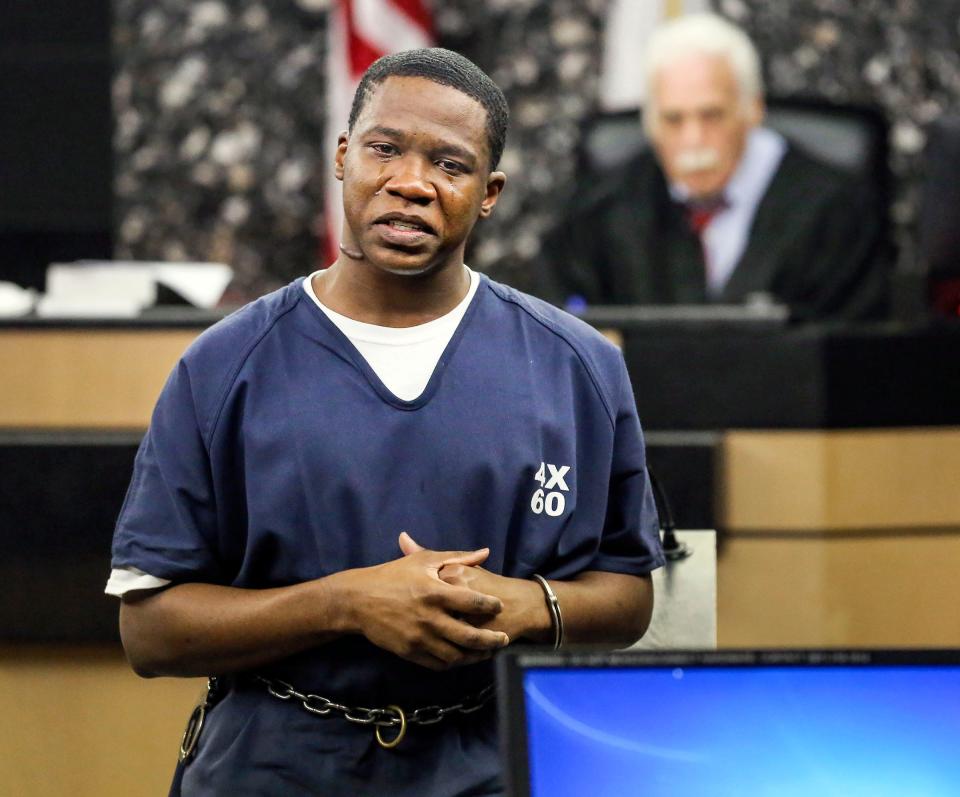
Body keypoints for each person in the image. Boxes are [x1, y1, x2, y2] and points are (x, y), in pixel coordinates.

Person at [106, 48, 664, 796]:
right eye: (385, 148)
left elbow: (629, 594)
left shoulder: (577, 365)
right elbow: (150, 630)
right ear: (343, 157)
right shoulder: (225, 364)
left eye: (450, 164)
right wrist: (347, 602)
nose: (411, 182)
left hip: (493, 758)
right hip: (275, 763)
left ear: (489, 192)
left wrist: (519, 602)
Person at [539, 13, 887, 321]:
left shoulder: (834, 211)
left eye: (712, 116)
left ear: (752, 110)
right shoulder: (603, 210)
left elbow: (848, 353)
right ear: (650, 123)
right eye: (673, 120)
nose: (693, 140)